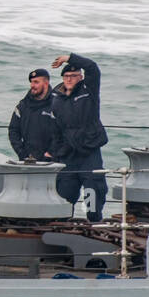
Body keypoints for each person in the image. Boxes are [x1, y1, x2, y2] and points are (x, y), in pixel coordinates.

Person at [50, 52, 109, 221]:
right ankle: (62, 226)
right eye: (66, 76)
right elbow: (54, 128)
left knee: (93, 190)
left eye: (73, 76)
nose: (69, 79)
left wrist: (68, 58)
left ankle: (94, 221)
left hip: (89, 152)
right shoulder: (56, 97)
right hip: (68, 154)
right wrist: (56, 151)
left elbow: (93, 68)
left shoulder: (88, 90)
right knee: (64, 194)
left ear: (80, 77)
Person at [8, 69, 61, 161]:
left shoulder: (58, 104)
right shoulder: (23, 105)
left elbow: (63, 132)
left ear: (46, 83)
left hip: (52, 161)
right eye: (31, 82)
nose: (32, 85)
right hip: (27, 159)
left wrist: (50, 153)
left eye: (36, 82)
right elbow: (13, 130)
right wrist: (21, 153)